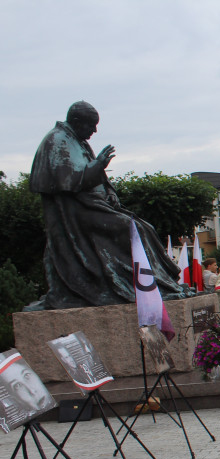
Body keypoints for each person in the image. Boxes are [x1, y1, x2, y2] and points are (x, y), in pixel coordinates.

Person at [27, 102, 190, 309]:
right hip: (77, 213)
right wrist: (99, 165)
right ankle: (143, 287)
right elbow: (68, 180)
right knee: (131, 229)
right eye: (91, 125)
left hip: (95, 206)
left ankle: (159, 284)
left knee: (145, 227)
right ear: (76, 121)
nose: (94, 130)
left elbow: (98, 178)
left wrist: (110, 192)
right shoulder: (57, 140)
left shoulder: (77, 140)